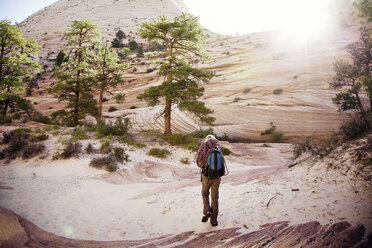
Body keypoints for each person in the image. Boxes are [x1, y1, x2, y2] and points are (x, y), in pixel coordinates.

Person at [195, 134, 221, 226]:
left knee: (205, 194)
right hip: (217, 178)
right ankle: (214, 220)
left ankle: (207, 211)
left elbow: (198, 162)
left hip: (206, 177)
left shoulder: (203, 148)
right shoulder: (218, 149)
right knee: (215, 198)